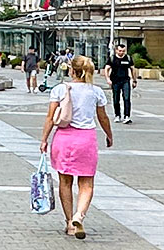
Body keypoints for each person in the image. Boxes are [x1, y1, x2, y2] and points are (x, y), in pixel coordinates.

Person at [41, 56, 112, 240]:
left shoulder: (59, 89)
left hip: (63, 139)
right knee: (86, 183)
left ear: (71, 71)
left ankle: (69, 223)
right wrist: (109, 135)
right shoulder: (96, 92)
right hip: (86, 140)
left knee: (65, 182)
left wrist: (44, 140)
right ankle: (79, 216)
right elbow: (102, 117)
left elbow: (50, 117)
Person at [105, 45, 136, 125]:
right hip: (115, 81)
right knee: (116, 99)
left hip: (125, 80)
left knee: (127, 98)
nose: (121, 52)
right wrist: (108, 79)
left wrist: (134, 80)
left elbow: (132, 69)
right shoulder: (112, 59)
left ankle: (127, 116)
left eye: (123, 51)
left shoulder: (128, 58)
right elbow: (107, 68)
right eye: (120, 51)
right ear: (116, 51)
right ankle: (117, 115)